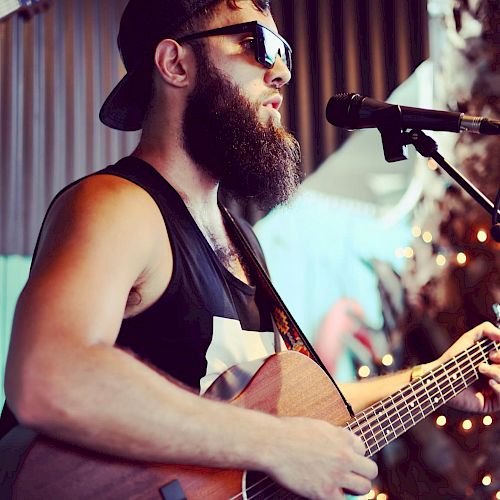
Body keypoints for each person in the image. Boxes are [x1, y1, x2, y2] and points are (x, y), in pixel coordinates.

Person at [2, 0, 499, 498]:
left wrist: (432, 381)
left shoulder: (242, 240)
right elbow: (47, 374)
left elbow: (291, 415)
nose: (281, 70)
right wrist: (276, 443)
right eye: (256, 44)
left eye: (282, 50)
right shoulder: (119, 205)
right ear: (176, 63)